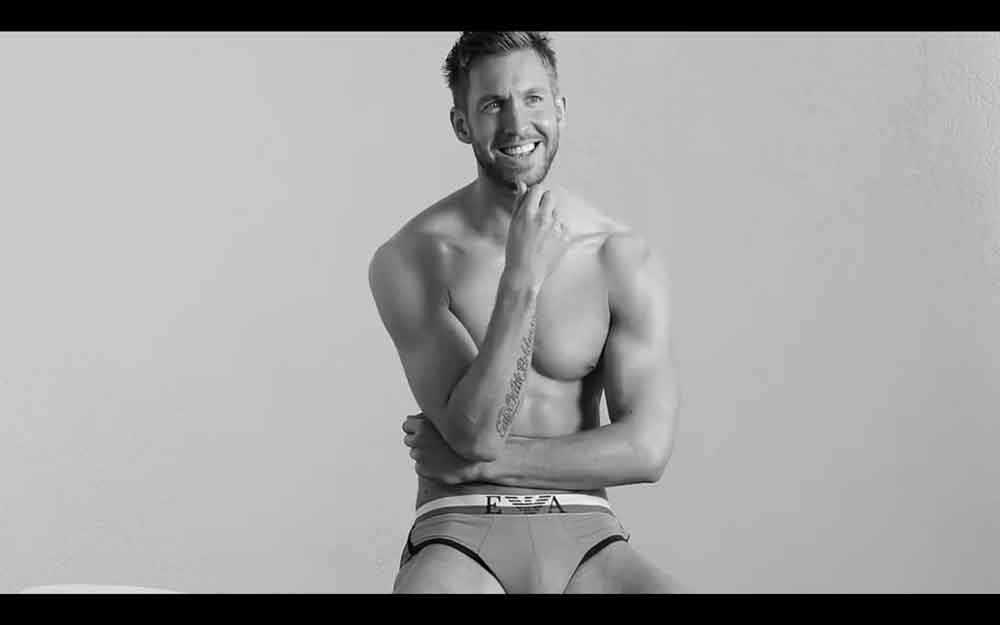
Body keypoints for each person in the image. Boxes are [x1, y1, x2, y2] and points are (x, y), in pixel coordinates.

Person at [368, 31, 681, 593]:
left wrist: (482, 463)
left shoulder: (619, 257)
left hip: (586, 533)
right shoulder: (413, 258)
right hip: (461, 531)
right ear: (462, 124)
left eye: (533, 99)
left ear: (560, 109)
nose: (518, 124)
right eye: (493, 104)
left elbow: (646, 450)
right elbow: (477, 433)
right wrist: (522, 276)